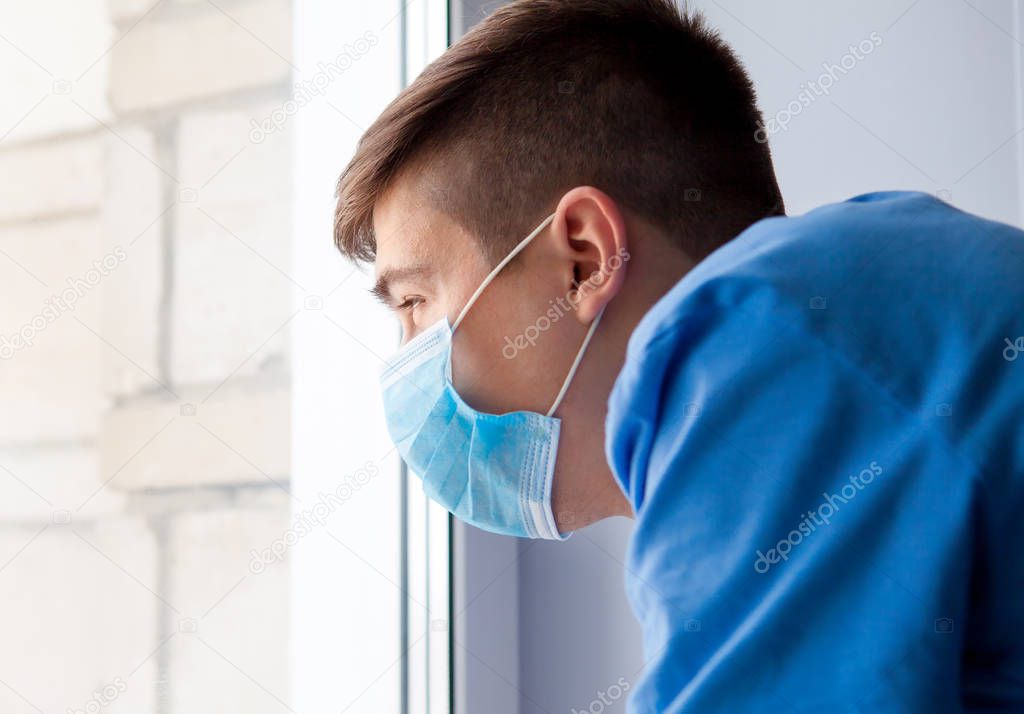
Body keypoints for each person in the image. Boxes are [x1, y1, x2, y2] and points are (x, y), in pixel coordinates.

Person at [331, 0, 1024, 710]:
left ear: (584, 259)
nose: (408, 363)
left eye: (415, 304)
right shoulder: (860, 299)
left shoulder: (767, 344)